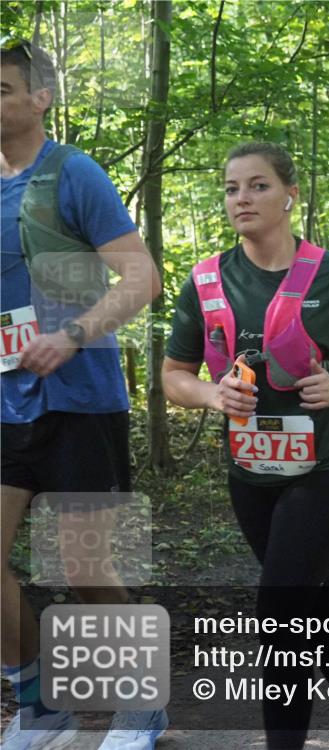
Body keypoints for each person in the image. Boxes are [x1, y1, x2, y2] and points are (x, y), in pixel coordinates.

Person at [163, 143, 329, 750]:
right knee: (310, 597)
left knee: (279, 604)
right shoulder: (207, 279)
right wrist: (212, 397)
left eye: (258, 186)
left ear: (289, 194)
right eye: (231, 188)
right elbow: (174, 375)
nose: (241, 198)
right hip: (252, 471)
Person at [1, 40, 165, 750]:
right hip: (5, 403)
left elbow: (141, 278)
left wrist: (72, 334)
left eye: (3, 89)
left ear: (41, 99)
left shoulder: (73, 174)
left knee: (83, 570)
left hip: (79, 399)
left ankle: (141, 708)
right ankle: (39, 702)